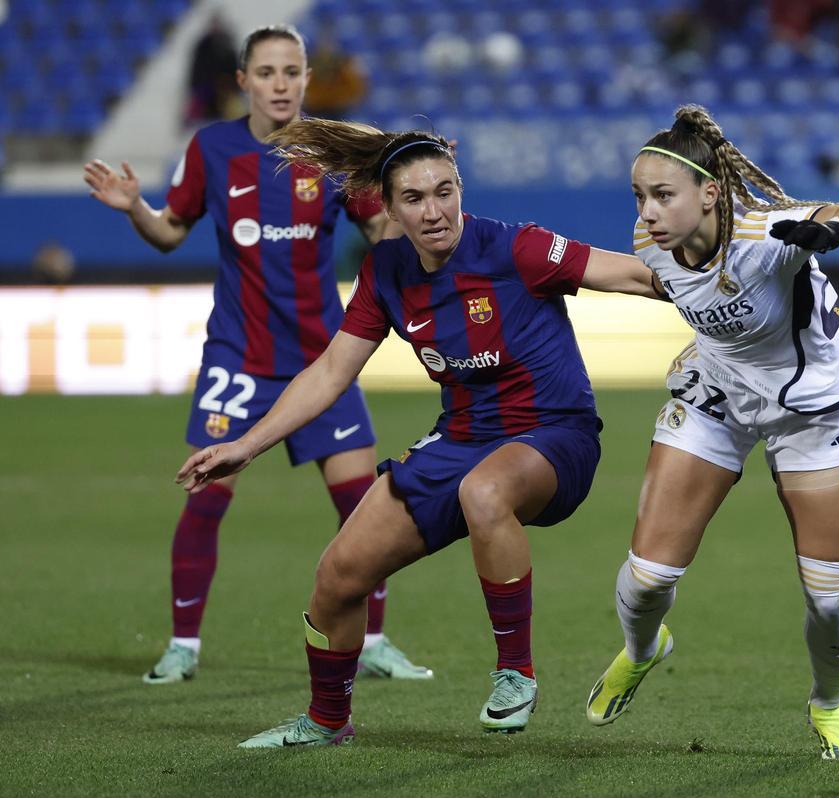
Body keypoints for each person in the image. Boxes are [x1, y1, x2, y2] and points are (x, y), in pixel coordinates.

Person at [174, 119, 662, 747]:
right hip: (459, 439)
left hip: (553, 435)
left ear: (461, 189)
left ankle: (515, 672)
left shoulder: (519, 249)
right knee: (338, 576)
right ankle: (327, 720)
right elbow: (329, 372)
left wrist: (725, 290)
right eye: (414, 198)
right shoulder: (386, 271)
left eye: (444, 191)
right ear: (387, 207)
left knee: (484, 493)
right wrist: (247, 444)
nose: (434, 211)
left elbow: (635, 276)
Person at [83, 24, 430, 686]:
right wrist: (135, 208)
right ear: (243, 81)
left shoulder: (334, 149)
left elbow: (381, 231)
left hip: (322, 362)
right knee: (206, 498)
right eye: (266, 72)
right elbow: (168, 233)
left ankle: (376, 640)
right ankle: (183, 645)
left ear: (306, 78)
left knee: (366, 508)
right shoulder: (212, 148)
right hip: (237, 359)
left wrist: (406, 204)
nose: (280, 84)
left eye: (291, 71)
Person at [584, 105, 839, 762]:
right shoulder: (651, 244)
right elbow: (664, 285)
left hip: (811, 415)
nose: (648, 212)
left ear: (710, 193)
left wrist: (831, 228)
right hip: (716, 398)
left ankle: (829, 702)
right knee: (646, 579)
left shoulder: (765, 233)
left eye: (663, 195)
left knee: (831, 602)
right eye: (639, 196)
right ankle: (643, 651)